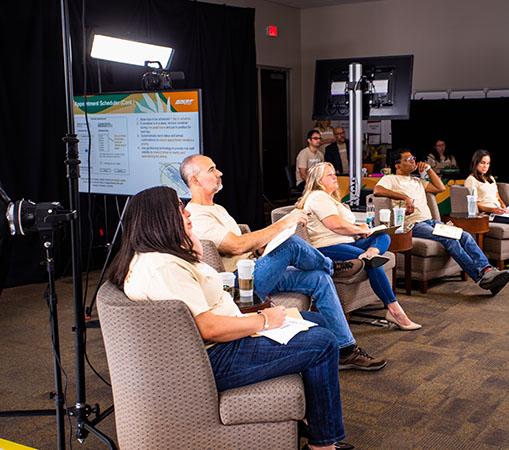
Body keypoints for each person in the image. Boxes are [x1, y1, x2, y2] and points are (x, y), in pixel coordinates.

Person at [107, 186, 346, 450]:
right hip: (217, 355)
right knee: (322, 342)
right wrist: (265, 320)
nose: (187, 212)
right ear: (159, 217)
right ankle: (322, 444)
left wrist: (192, 245)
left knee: (319, 322)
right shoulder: (164, 269)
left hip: (224, 341)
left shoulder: (158, 258)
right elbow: (209, 329)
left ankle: (314, 420)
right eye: (178, 207)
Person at [180, 154, 386, 371]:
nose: (219, 173)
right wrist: (285, 223)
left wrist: (267, 243)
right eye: (212, 169)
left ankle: (346, 350)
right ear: (195, 180)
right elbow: (237, 246)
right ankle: (333, 266)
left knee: (319, 277)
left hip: (254, 269)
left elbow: (248, 246)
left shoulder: (218, 209)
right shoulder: (197, 216)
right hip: (240, 286)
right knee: (292, 244)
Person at [296, 162, 421, 331]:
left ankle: (370, 252)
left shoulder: (330, 198)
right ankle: (395, 311)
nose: (335, 177)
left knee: (383, 236)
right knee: (373, 262)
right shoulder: (317, 196)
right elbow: (335, 225)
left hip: (347, 241)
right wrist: (359, 229)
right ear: (318, 180)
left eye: (334, 173)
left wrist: (359, 233)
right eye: (330, 175)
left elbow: (342, 227)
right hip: (327, 247)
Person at [374, 148, 509, 296]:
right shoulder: (390, 179)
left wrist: (428, 169)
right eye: (408, 160)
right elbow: (377, 190)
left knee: (464, 235)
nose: (413, 161)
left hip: (430, 222)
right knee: (450, 240)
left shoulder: (417, 181)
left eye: (413, 158)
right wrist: (404, 198)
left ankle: (487, 270)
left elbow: (440, 187)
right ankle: (481, 278)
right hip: (413, 225)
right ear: (398, 165)